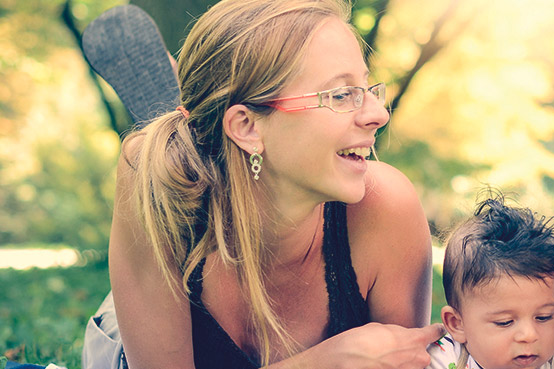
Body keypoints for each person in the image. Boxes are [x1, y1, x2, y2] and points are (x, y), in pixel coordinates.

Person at [84, 0, 445, 368]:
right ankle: (181, 128)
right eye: (341, 95)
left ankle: (191, 119)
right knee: (156, 162)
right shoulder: (150, 184)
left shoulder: (386, 207)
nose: (378, 114)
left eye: (368, 88)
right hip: (132, 333)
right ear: (248, 127)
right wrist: (323, 362)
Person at [428, 193, 554, 369]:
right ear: (457, 323)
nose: (529, 335)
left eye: (544, 317)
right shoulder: (443, 359)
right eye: (505, 322)